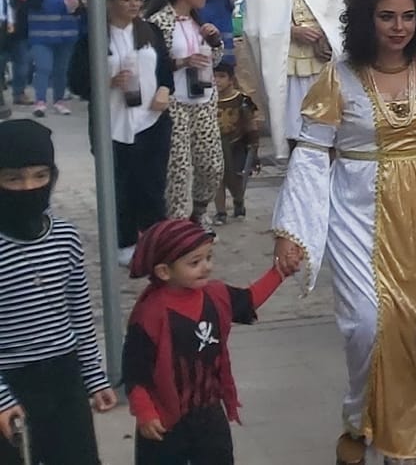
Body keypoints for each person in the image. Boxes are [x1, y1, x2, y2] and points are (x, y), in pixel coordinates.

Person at [270, 0, 416, 464]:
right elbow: (311, 153)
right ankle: (359, 419)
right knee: (369, 326)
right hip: (357, 215)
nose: (399, 27)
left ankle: (407, 443)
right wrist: (292, 229)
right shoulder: (340, 76)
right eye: (387, 16)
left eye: (408, 17)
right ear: (367, 20)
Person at [0, 120, 119, 465]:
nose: (29, 187)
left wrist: (94, 377)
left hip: (64, 377)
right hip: (11, 379)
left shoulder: (65, 237)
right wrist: (2, 399)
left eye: (40, 176)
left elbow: (79, 311)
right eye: (13, 179)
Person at [123, 218, 284, 465]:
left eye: (209, 257)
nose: (206, 267)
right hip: (164, 418)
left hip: (208, 411)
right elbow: (135, 371)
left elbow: (249, 299)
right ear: (164, 271)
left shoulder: (216, 295)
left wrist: (279, 273)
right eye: (195, 262)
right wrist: (144, 412)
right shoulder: (149, 314)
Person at [68, 0, 173, 266]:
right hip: (112, 124)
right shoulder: (94, 38)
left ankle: (156, 241)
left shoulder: (150, 31)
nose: (133, 4)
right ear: (109, 2)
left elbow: (165, 68)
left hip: (151, 121)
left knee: (152, 186)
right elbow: (76, 82)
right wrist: (108, 81)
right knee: (120, 187)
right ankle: (124, 242)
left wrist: (164, 91)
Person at [238, 0, 344, 163]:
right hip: (285, 69)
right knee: (293, 124)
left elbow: (339, 22)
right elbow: (253, 32)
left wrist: (326, 39)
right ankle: (297, 165)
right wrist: (290, 32)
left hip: (321, 67)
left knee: (327, 123)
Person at [148, 0, 227, 224]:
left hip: (203, 100)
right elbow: (153, 64)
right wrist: (183, 62)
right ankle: (178, 223)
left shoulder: (197, 21)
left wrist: (214, 41)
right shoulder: (159, 22)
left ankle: (199, 211)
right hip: (175, 103)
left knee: (212, 165)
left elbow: (214, 61)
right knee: (178, 168)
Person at [24, 0, 83, 117]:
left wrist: (77, 6)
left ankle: (59, 100)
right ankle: (40, 101)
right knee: (43, 68)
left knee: (61, 70)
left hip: (66, 35)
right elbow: (32, 4)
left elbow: (80, 7)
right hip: (41, 36)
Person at [213, 62, 260, 224]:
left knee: (236, 179)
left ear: (231, 79)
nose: (217, 80)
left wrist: (253, 145)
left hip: (237, 144)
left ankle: (238, 201)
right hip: (216, 144)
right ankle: (221, 212)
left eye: (221, 76)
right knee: (217, 178)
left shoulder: (242, 100)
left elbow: (250, 123)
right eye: (214, 76)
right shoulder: (207, 100)